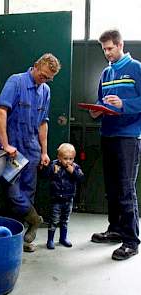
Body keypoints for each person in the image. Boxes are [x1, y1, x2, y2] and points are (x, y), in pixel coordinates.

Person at [0, 53, 61, 252]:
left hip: (32, 150)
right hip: (13, 150)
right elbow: (0, 112)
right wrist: (5, 144)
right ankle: (34, 220)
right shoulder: (16, 82)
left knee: (28, 192)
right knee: (13, 193)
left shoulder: (45, 91)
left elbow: (43, 123)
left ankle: (23, 241)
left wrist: (44, 152)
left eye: (49, 78)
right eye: (43, 76)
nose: (45, 80)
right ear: (35, 66)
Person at [89, 29, 141, 260]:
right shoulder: (106, 73)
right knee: (112, 189)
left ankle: (131, 241)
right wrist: (96, 110)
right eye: (104, 50)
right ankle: (116, 230)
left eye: (110, 48)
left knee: (125, 189)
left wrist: (123, 103)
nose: (107, 53)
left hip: (128, 137)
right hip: (108, 134)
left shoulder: (136, 69)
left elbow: (129, 102)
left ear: (120, 45)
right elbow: (102, 100)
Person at [42, 143, 84, 250]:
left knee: (65, 220)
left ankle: (63, 238)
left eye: (71, 158)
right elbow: (45, 175)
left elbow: (80, 178)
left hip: (68, 199)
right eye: (65, 158)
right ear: (59, 158)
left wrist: (73, 172)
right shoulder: (54, 166)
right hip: (56, 199)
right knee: (54, 220)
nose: (68, 161)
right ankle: (50, 240)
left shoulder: (74, 167)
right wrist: (52, 171)